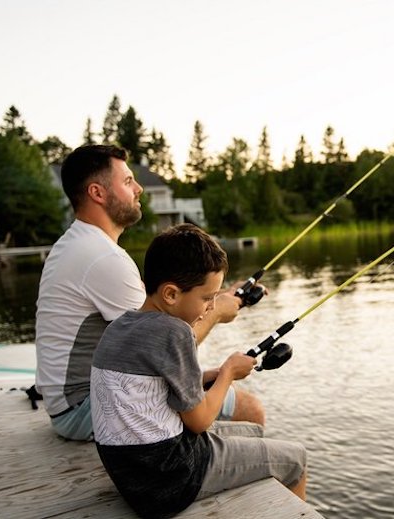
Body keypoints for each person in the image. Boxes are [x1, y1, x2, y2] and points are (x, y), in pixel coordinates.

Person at [35, 144, 264, 441]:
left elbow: (159, 321)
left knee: (211, 388)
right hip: (83, 408)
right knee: (249, 408)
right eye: (128, 181)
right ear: (97, 193)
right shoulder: (103, 258)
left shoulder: (78, 244)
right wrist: (217, 311)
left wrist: (215, 297)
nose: (139, 188)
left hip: (71, 402)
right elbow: (162, 344)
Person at [91, 223, 307, 518]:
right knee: (296, 460)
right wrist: (228, 372)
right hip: (171, 479)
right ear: (170, 294)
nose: (210, 307)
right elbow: (200, 422)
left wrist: (206, 376)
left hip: (134, 475)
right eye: (207, 298)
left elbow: (154, 387)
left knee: (253, 432)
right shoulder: (174, 332)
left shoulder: (120, 327)